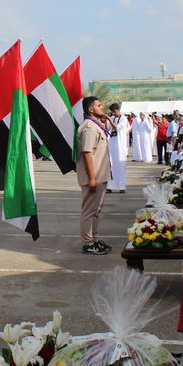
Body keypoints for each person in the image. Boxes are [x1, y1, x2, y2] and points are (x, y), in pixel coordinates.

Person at [78, 96, 112, 255]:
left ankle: (94, 239)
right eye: (99, 105)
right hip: (94, 176)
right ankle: (87, 243)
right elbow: (87, 153)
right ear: (91, 109)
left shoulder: (96, 125)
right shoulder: (89, 127)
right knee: (89, 211)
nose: (102, 107)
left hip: (100, 175)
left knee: (96, 211)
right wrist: (92, 178)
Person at [106, 103, 129, 194]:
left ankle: (121, 186)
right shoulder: (112, 118)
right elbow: (107, 127)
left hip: (120, 145)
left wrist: (109, 119)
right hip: (112, 143)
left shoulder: (123, 118)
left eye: (114, 111)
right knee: (111, 164)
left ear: (118, 110)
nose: (113, 113)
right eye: (112, 111)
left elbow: (116, 128)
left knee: (120, 165)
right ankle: (110, 186)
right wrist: (105, 120)